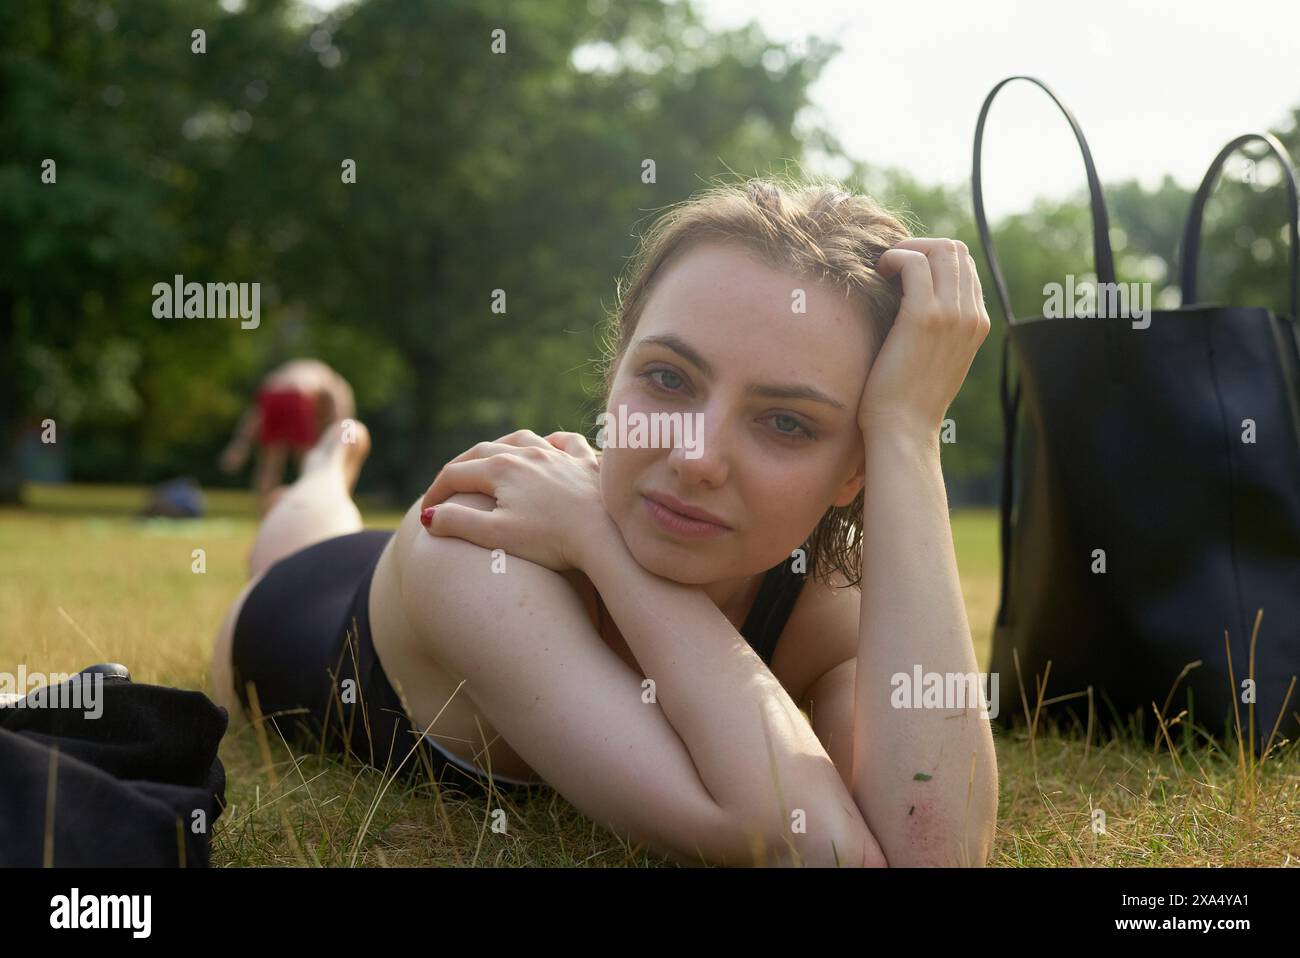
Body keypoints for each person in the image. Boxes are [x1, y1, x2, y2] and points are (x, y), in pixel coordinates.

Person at [209, 177, 999, 868]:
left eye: (787, 423)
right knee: (302, 532)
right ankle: (327, 466)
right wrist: (590, 544)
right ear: (615, 372)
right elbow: (813, 846)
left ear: (853, 470)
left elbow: (931, 851)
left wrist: (906, 431)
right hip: (308, 599)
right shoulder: (485, 546)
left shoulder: (824, 598)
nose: (696, 458)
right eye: (667, 377)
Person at [218, 358, 356, 511]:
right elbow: (342, 414)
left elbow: (256, 413)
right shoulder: (333, 382)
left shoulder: (288, 375)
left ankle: (265, 510)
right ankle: (310, 506)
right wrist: (344, 442)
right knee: (305, 458)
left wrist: (240, 443)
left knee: (270, 462)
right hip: (298, 395)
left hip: (269, 394)